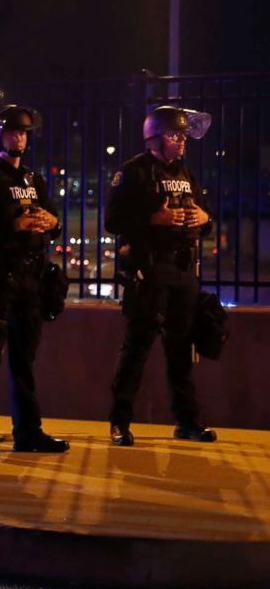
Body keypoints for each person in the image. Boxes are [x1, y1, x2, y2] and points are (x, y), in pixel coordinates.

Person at [0, 104, 69, 461]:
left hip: (31, 280)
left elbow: (54, 221)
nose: (19, 137)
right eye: (12, 131)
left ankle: (28, 432)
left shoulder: (33, 180)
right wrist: (13, 226)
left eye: (23, 132)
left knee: (24, 360)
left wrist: (50, 223)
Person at [105, 105, 216, 446]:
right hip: (151, 270)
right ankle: (120, 422)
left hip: (183, 270)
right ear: (154, 137)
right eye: (173, 134)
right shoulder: (135, 172)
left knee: (181, 349)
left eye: (183, 135)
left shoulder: (186, 174)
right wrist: (153, 219)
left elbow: (202, 219)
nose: (180, 141)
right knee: (137, 347)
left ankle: (187, 422)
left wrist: (204, 220)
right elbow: (113, 222)